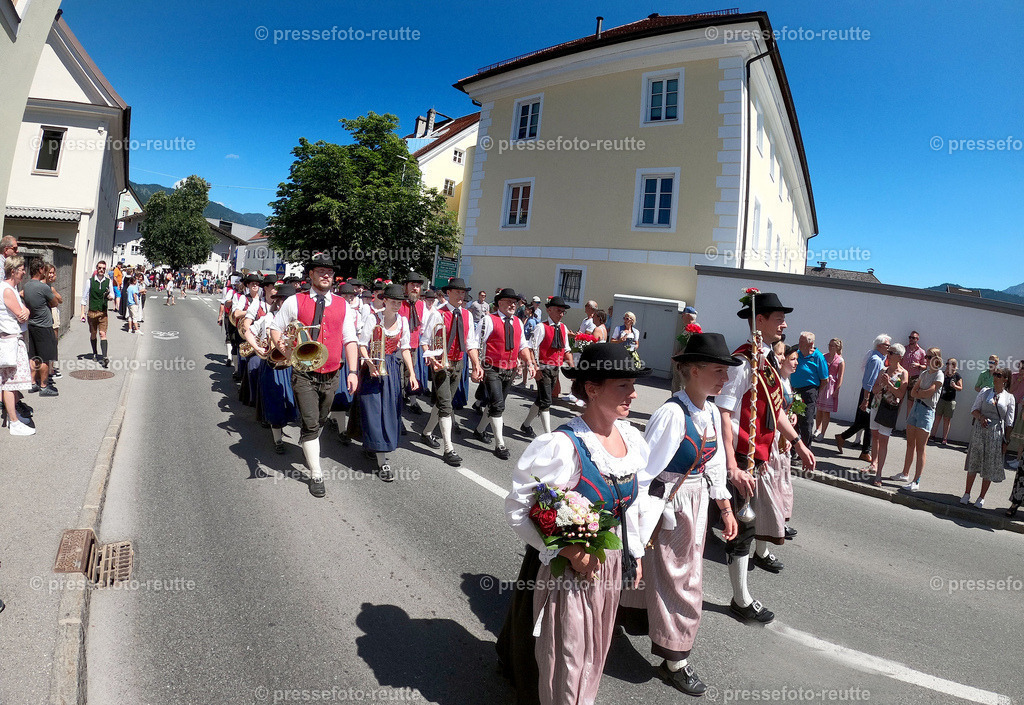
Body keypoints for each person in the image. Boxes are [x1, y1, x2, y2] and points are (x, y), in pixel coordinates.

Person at [498, 343, 651, 705]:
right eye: (623, 385)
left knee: (595, 646)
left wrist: (634, 551)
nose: (633, 393)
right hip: (569, 569)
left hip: (608, 564)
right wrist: (567, 548)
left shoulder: (630, 438)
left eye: (632, 383)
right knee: (567, 653)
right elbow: (521, 509)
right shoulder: (563, 446)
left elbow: (635, 502)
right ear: (592, 389)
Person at [635, 333, 740, 695]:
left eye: (726, 372)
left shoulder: (709, 410)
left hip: (697, 502)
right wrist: (644, 516)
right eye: (717, 371)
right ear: (692, 371)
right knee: (684, 582)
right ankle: (675, 659)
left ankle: (651, 627)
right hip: (672, 503)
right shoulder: (671, 414)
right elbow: (645, 472)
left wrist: (725, 507)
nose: (724, 379)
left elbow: (716, 466)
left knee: (677, 573)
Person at [716, 291, 814, 624]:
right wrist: (731, 464)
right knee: (741, 527)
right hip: (740, 459)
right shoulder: (743, 363)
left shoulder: (767, 361)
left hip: (756, 458)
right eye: (778, 319)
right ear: (759, 321)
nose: (784, 324)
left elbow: (776, 411)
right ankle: (740, 599)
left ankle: (739, 594)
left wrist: (797, 442)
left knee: (746, 525)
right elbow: (723, 413)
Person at [269, 254, 359, 498]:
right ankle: (316, 473)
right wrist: (284, 349)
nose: (326, 275)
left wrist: (352, 371)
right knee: (310, 423)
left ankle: (308, 441)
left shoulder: (343, 304)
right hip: (304, 373)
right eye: (321, 271)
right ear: (310, 274)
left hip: (332, 373)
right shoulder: (294, 301)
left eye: (329, 271)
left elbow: (350, 339)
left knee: (320, 420)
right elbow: (275, 328)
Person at [358, 284, 418, 481]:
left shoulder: (402, 321)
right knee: (374, 410)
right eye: (393, 301)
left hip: (391, 366)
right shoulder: (373, 318)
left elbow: (406, 348)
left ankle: (375, 447)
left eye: (399, 302)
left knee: (390, 410)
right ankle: (382, 462)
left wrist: (411, 373)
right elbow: (361, 345)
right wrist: (369, 364)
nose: (396, 305)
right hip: (373, 366)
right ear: (385, 301)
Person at [419, 278, 481, 467]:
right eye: (457, 292)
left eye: (463, 293)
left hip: (459, 363)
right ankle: (448, 448)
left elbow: (470, 343)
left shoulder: (467, 315)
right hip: (441, 364)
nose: (461, 296)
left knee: (443, 402)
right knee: (446, 406)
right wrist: (432, 359)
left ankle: (426, 433)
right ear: (449, 293)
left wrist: (476, 365)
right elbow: (424, 340)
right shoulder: (438, 314)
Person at [473, 288, 536, 460]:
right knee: (498, 405)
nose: (513, 304)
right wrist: (476, 366)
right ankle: (500, 444)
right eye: (509, 301)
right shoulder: (488, 319)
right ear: (499, 303)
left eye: (514, 302)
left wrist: (529, 363)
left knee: (495, 404)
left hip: (510, 369)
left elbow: (523, 346)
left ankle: (479, 431)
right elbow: (476, 343)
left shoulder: (518, 322)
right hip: (491, 368)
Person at [961, 369, 1015, 509]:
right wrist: (981, 417)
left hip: (996, 434)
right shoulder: (985, 391)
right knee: (974, 461)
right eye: (994, 374)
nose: (995, 377)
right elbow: (974, 409)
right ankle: (967, 493)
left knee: (989, 464)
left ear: (1005, 379)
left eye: (998, 375)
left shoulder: (1009, 398)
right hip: (980, 430)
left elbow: (1009, 422)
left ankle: (981, 497)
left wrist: (1006, 441)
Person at [520, 296, 573, 438]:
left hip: (555, 368)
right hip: (543, 368)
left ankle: (525, 425)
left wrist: (573, 368)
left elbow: (566, 349)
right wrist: (535, 368)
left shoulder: (563, 328)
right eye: (558, 311)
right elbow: (531, 348)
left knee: (542, 398)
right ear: (549, 310)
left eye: (563, 312)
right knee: (546, 402)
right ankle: (549, 436)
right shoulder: (541, 327)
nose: (561, 314)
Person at [894, 347, 943, 491]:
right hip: (916, 408)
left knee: (921, 448)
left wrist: (919, 392)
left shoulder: (939, 375)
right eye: (926, 357)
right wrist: (919, 393)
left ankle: (916, 481)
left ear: (936, 359)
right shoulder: (924, 373)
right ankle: (905, 473)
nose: (926, 359)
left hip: (927, 411)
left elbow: (929, 392)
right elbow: (914, 391)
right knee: (910, 444)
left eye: (929, 357)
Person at [836, 334, 891, 462]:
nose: (888, 347)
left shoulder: (881, 358)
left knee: (867, 422)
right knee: (866, 422)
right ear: (879, 345)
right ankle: (856, 445)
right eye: (886, 345)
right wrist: (866, 399)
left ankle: (862, 449)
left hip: (872, 393)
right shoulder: (876, 360)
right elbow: (868, 381)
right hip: (869, 393)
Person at [863, 344, 908, 486]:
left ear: (899, 357)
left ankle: (879, 474)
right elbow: (874, 389)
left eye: (891, 352)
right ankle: (874, 464)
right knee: (874, 435)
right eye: (888, 352)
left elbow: (901, 394)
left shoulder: (903, 373)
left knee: (884, 440)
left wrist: (889, 384)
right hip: (877, 405)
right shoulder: (883, 369)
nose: (888, 354)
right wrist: (882, 384)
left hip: (889, 409)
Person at [1, 256, 35, 435]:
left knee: (12, 383)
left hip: (13, 340)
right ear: (13, 270)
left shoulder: (12, 288)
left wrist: (25, 310)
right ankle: (14, 423)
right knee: (8, 383)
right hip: (9, 341)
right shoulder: (6, 290)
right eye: (22, 268)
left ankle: (12, 417)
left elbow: (24, 311)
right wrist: (25, 311)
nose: (24, 272)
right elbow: (22, 314)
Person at [22, 260, 59, 396]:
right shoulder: (43, 287)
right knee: (45, 357)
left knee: (33, 355)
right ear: (40, 270)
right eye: (43, 269)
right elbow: (54, 302)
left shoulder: (26, 286)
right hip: (44, 325)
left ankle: (32, 383)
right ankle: (44, 386)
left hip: (32, 324)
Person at [398, 271, 430, 414]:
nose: (415, 288)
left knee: (411, 373)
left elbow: (424, 327)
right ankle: (397, 401)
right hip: (398, 347)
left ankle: (413, 400)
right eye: (412, 285)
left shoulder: (422, 305)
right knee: (398, 374)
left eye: (418, 286)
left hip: (414, 346)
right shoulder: (398, 302)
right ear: (406, 286)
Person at [790, 332, 829, 449]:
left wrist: (815, 393)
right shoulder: (796, 354)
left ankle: (806, 450)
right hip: (795, 390)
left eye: (802, 342)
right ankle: (793, 450)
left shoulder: (818, 357)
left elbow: (825, 379)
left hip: (809, 391)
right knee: (793, 421)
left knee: (806, 422)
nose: (799, 343)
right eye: (799, 340)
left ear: (810, 344)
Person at [80, 261, 114, 368]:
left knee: (103, 334)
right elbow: (84, 298)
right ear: (96, 268)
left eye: (103, 268)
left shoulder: (108, 281)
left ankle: (104, 357)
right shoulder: (90, 282)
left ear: (105, 270)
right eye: (100, 268)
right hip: (92, 312)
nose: (101, 270)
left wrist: (110, 296)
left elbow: (112, 294)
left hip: (103, 313)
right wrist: (82, 313)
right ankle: (94, 352)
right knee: (93, 334)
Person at [814, 338, 845, 440]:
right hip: (822, 384)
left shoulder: (840, 360)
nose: (830, 347)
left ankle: (823, 433)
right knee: (819, 408)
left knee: (826, 411)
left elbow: (840, 377)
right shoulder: (824, 356)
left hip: (831, 387)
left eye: (832, 345)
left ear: (837, 347)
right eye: (829, 345)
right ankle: (817, 429)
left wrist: (837, 390)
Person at [898, 331, 927, 425]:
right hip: (902, 377)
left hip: (914, 378)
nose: (911, 339)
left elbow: (925, 366)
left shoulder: (921, 352)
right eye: (910, 337)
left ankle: (907, 427)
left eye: (913, 338)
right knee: (898, 400)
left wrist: (918, 365)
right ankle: (891, 425)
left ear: (917, 339)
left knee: (910, 403)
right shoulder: (904, 349)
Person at [932, 358, 963, 445]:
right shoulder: (942, 374)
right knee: (937, 417)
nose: (947, 365)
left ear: (954, 366)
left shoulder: (957, 376)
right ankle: (932, 435)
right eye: (947, 364)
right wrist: (944, 374)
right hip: (941, 398)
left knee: (947, 419)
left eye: (949, 364)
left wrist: (954, 386)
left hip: (950, 400)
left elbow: (960, 388)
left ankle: (944, 438)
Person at [46, 264, 62, 380]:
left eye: (53, 272)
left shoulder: (51, 287)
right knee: (51, 342)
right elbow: (58, 300)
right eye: (49, 272)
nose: (51, 275)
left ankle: (52, 367)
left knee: (54, 342)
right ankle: (50, 370)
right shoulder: (47, 287)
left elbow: (60, 299)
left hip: (53, 313)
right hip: (49, 314)